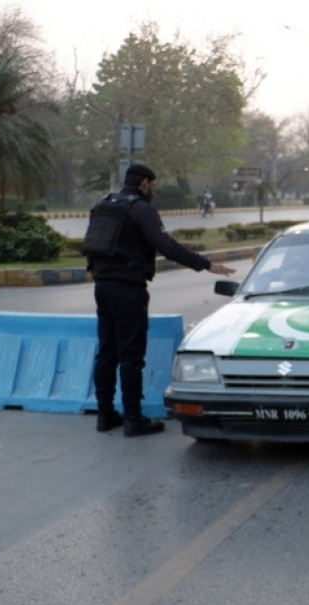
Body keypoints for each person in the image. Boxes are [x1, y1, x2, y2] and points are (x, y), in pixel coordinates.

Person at [87, 164, 235, 437]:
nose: (153, 189)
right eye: (152, 185)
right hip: (129, 289)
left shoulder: (103, 204)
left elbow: (93, 244)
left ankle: (105, 416)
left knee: (106, 352)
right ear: (144, 183)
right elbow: (166, 246)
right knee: (131, 356)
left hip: (102, 286)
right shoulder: (142, 209)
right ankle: (133, 419)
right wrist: (204, 264)